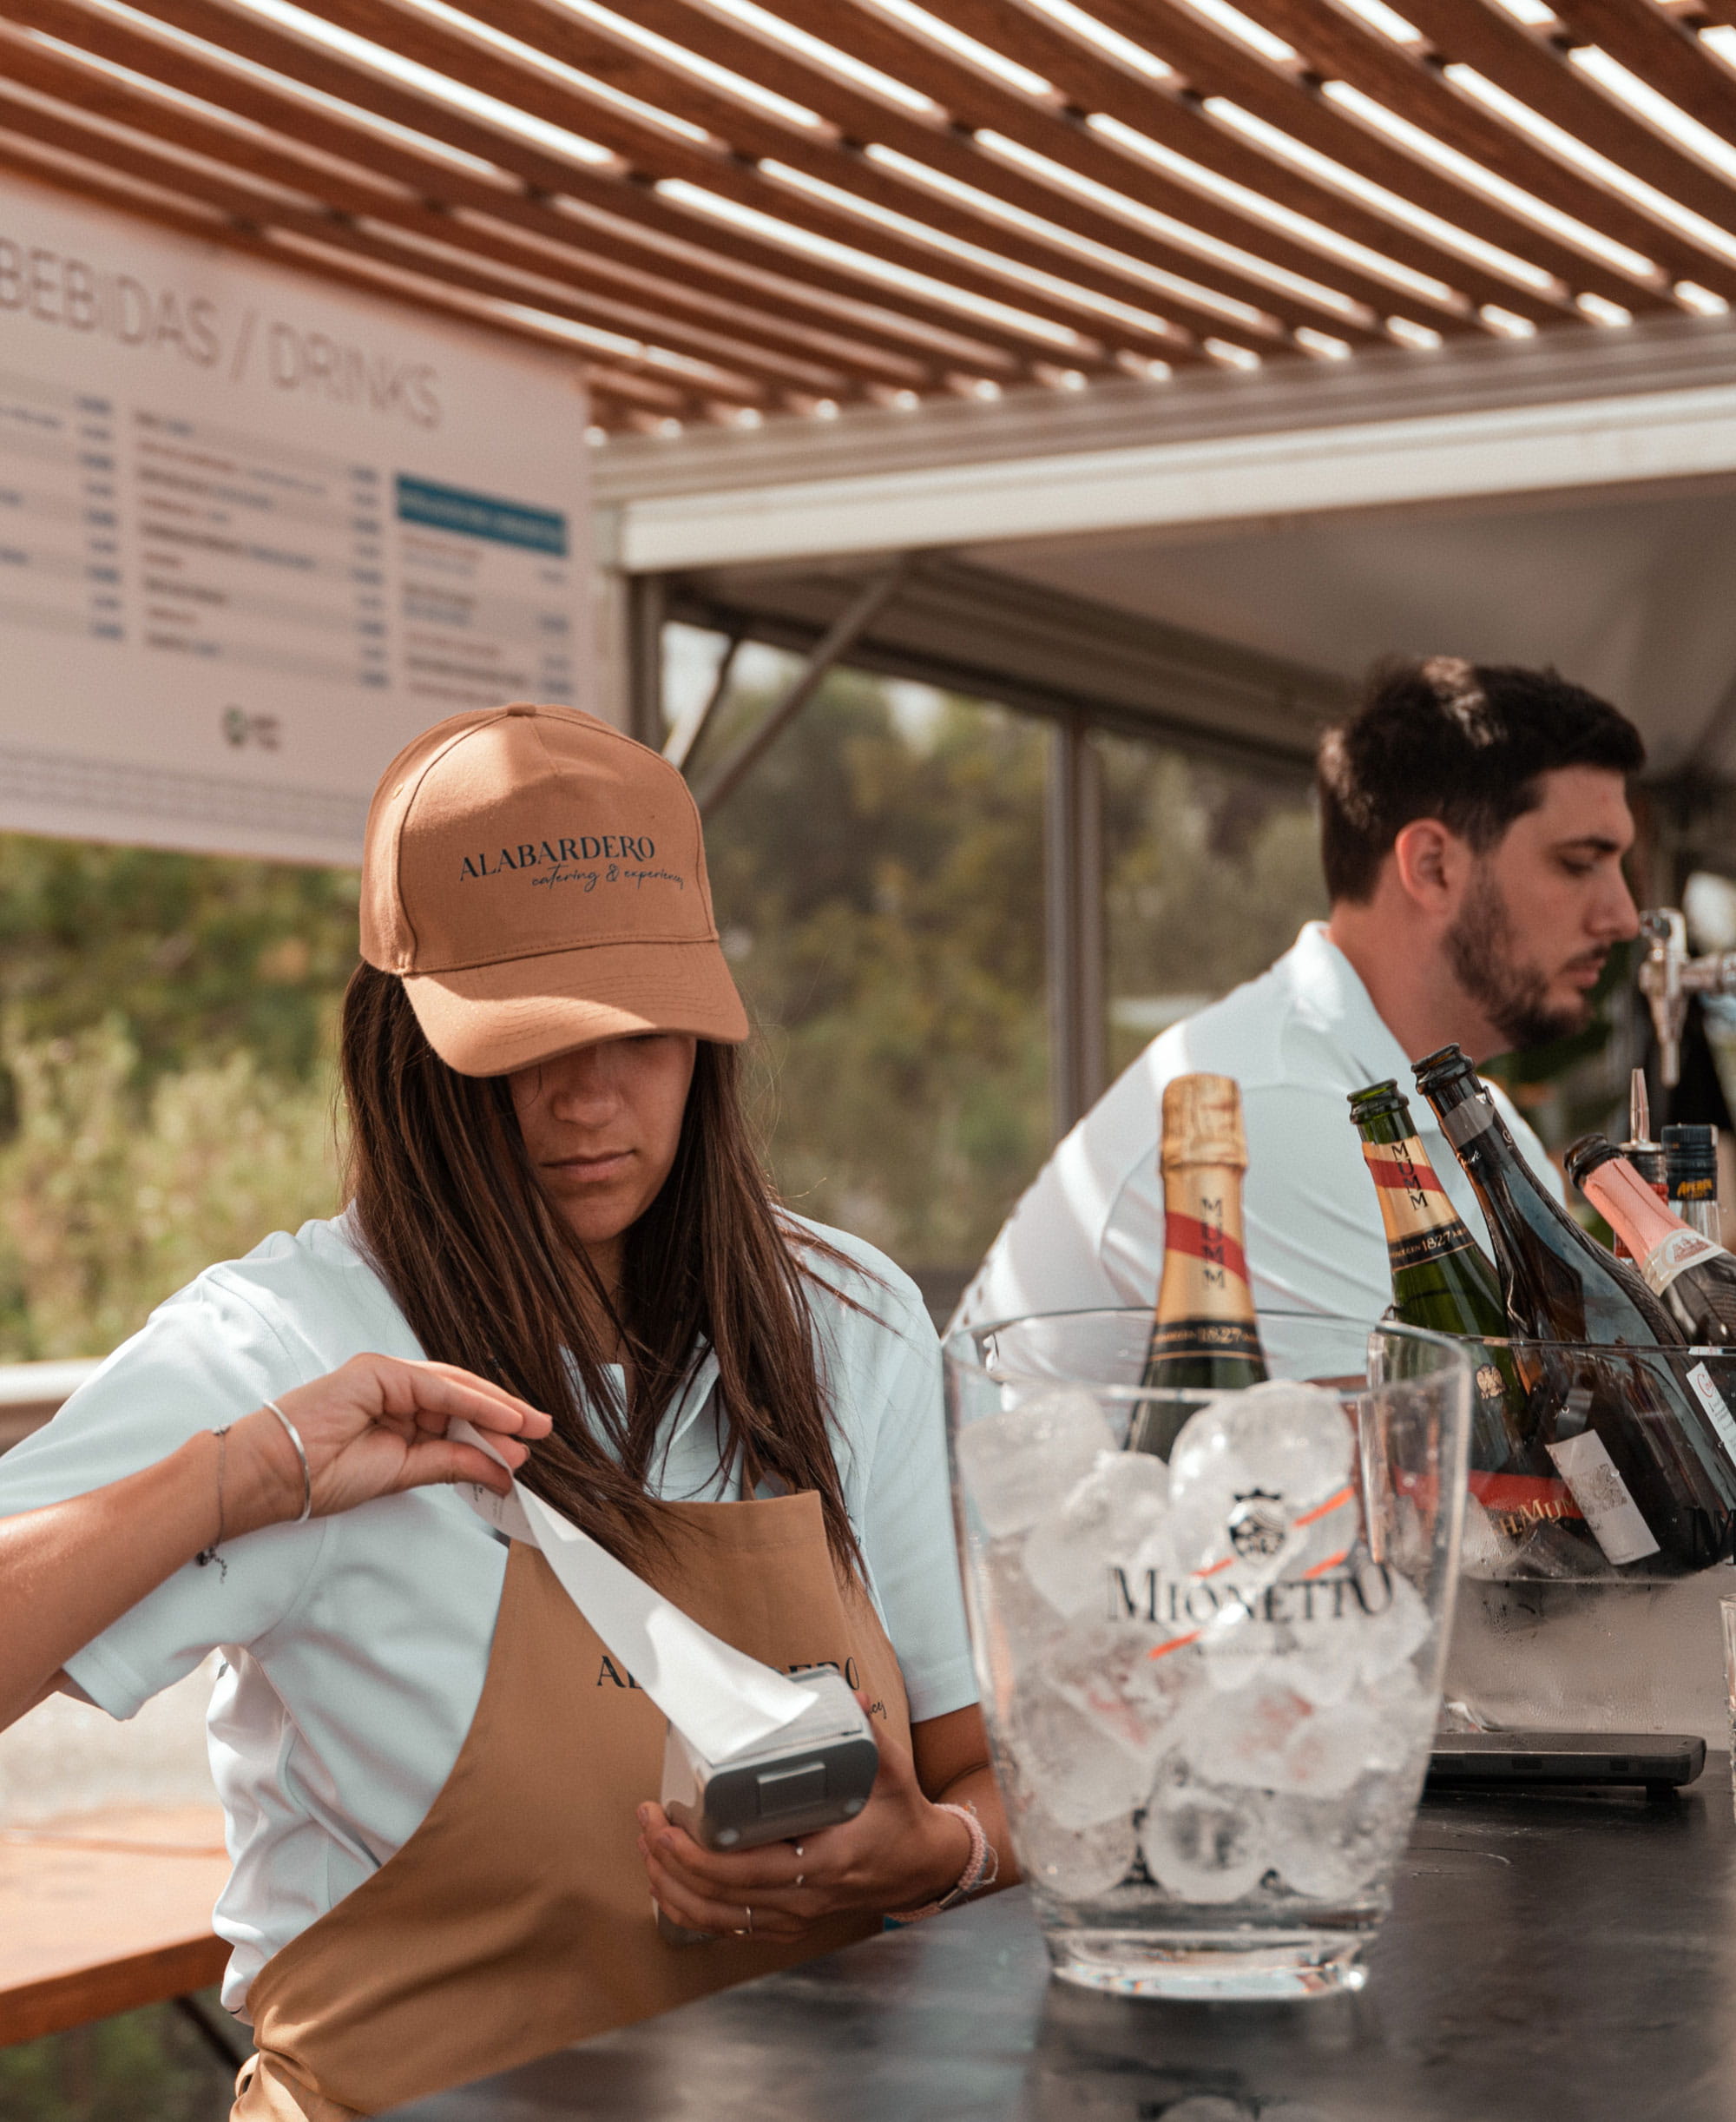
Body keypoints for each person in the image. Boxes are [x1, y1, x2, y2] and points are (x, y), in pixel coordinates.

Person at [0, 704, 1004, 2120]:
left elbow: (979, 1778)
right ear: (404, 1040)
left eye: (641, 1030)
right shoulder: (282, 1346)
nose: (588, 1094)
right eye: (527, 1036)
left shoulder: (848, 1326)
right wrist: (244, 1473)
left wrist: (937, 1851)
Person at [959, 656, 1646, 1336]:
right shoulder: (1275, 1110)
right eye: (1579, 863)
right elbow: (1453, 1441)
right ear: (1433, 866)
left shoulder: (1483, 1126)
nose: (1622, 916)